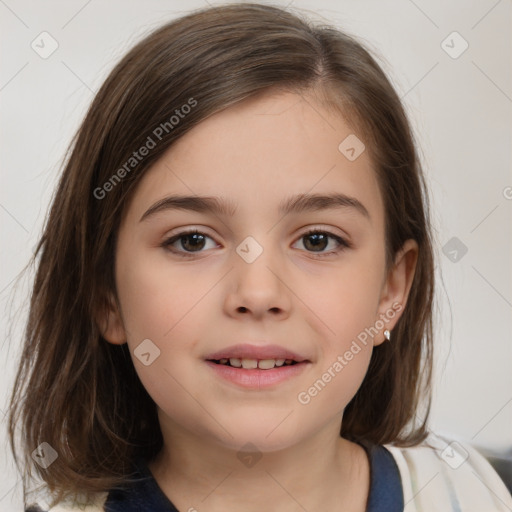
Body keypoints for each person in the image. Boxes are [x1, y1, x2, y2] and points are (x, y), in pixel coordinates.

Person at [8, 3, 512, 511]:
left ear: (392, 289)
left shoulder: (485, 495)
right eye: (192, 240)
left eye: (318, 240)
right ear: (106, 294)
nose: (258, 293)